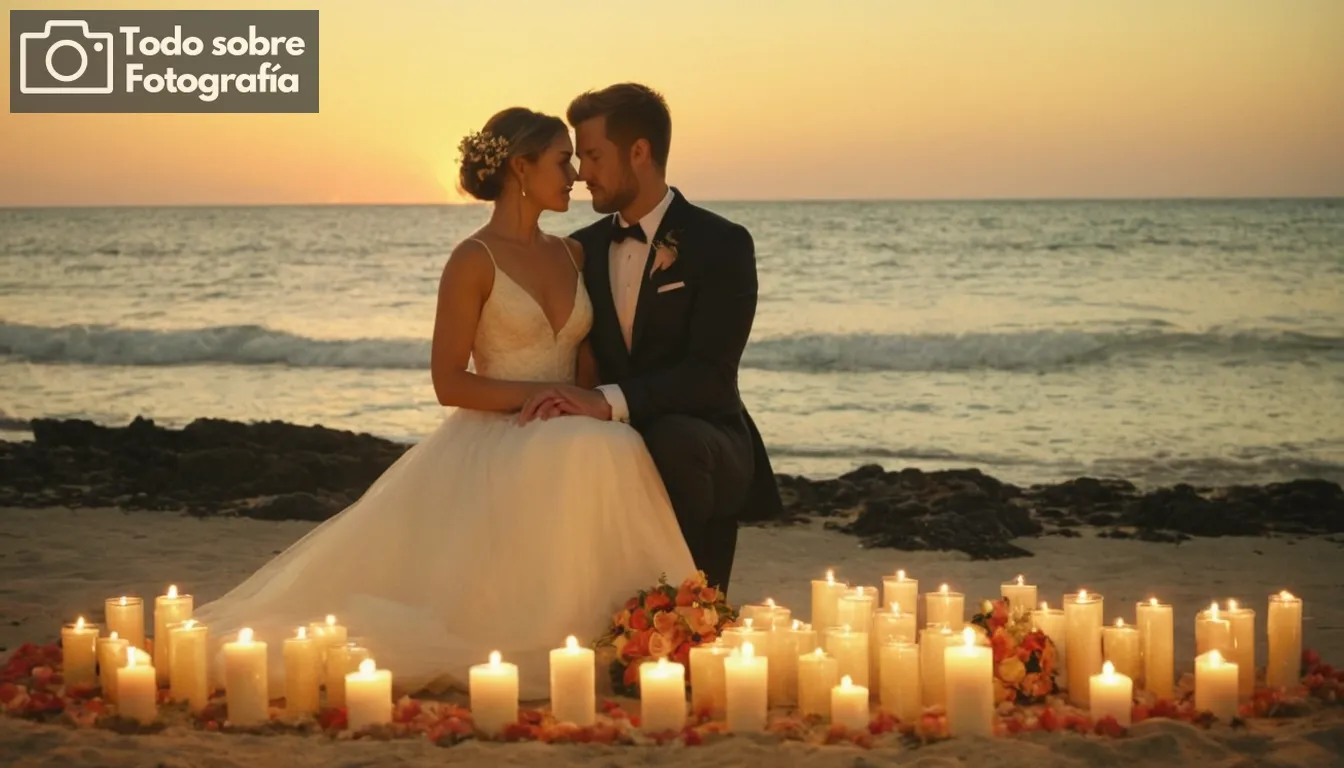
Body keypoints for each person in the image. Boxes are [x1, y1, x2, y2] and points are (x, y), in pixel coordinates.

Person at [191, 106, 696, 700]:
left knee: (608, 441)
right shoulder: (472, 260)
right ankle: (553, 637)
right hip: (496, 431)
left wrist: (581, 397)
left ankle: (638, 630)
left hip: (567, 422)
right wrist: (545, 396)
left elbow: (587, 357)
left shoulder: (573, 255)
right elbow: (448, 382)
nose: (576, 176)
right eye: (563, 162)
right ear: (520, 167)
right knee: (589, 444)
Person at [518, 83, 784, 595]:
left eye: (593, 155)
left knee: (671, 442)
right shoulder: (581, 250)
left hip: (706, 439)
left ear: (639, 152)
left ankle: (690, 610)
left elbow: (709, 376)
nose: (581, 174)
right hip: (614, 436)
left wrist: (603, 402)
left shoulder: (721, 243)